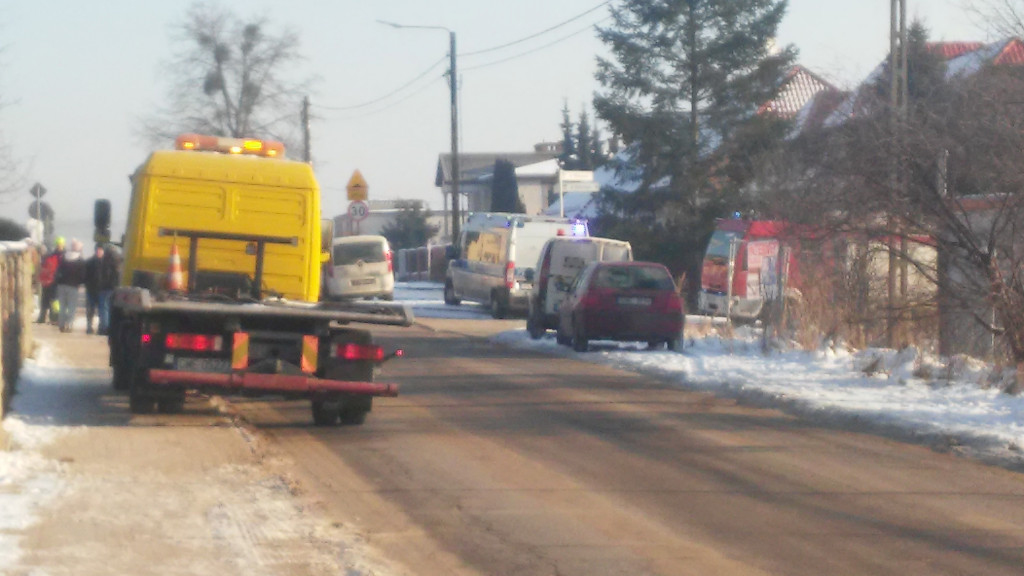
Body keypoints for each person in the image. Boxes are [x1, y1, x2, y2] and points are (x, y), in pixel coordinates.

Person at [55, 238, 86, 333]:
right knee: (71, 306)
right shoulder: (80, 260)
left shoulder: (64, 257)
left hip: (61, 285)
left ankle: (61, 324)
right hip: (73, 286)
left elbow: (58, 270)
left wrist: (59, 281)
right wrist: (80, 282)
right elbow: (82, 275)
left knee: (62, 306)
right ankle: (69, 324)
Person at [35, 236, 65, 324]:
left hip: (55, 282)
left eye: (61, 244)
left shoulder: (58, 255)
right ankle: (46, 317)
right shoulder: (55, 256)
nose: (59, 246)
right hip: (51, 282)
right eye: (58, 244)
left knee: (53, 301)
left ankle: (53, 317)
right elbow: (45, 268)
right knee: (48, 301)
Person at [96, 244, 122, 335]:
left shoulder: (105, 261)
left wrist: (101, 284)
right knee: (111, 308)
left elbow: (105, 276)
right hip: (115, 288)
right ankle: (110, 327)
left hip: (105, 288)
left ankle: (104, 328)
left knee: (104, 308)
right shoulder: (118, 261)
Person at [84, 244, 105, 334]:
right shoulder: (89, 262)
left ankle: (101, 327)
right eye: (98, 250)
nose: (99, 252)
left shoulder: (106, 263)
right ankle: (89, 327)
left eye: (100, 250)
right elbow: (85, 275)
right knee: (90, 309)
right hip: (91, 289)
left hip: (102, 290)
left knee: (102, 310)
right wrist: (87, 284)